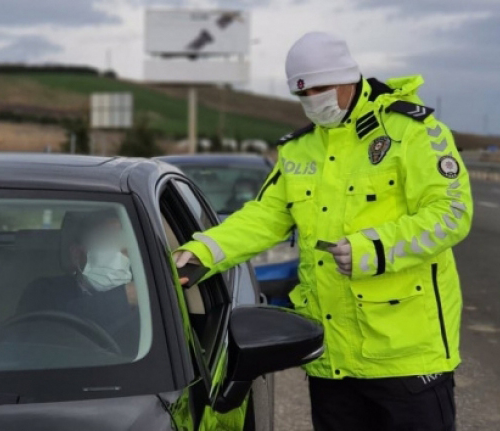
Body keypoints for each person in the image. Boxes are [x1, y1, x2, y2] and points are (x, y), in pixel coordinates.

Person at [174, 32, 472, 431]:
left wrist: (374, 250)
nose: (314, 100)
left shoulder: (412, 131)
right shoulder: (298, 150)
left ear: (349, 77)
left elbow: (451, 213)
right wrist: (203, 251)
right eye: (304, 93)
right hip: (331, 362)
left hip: (407, 357)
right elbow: (264, 217)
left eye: (321, 88)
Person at [18, 210, 139, 354]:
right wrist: (123, 297)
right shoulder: (43, 291)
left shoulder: (145, 298)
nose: (122, 254)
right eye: (109, 243)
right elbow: (40, 333)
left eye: (125, 245)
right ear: (77, 254)